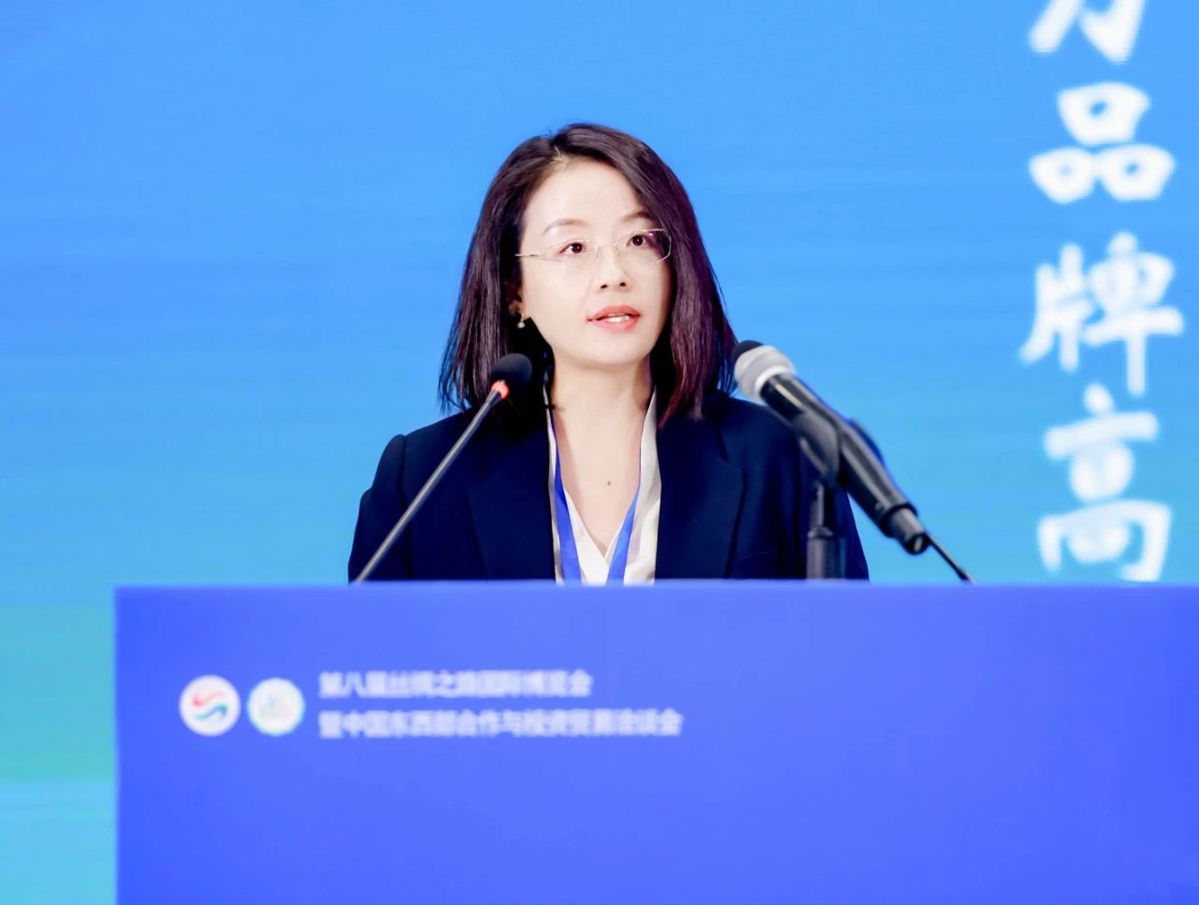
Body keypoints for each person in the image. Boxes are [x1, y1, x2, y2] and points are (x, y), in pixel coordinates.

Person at [349, 123, 868, 582]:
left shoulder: (780, 458)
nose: (613, 274)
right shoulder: (424, 477)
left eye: (640, 240)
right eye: (573, 248)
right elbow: (364, 655)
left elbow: (849, 651)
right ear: (515, 291)